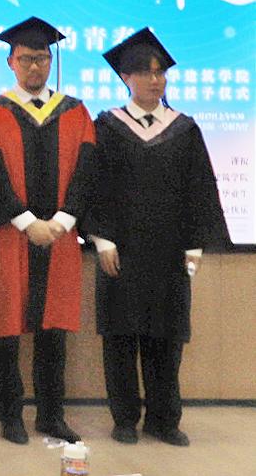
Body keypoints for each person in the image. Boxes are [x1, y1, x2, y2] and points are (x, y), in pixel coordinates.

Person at [88, 29, 226, 447]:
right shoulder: (107, 126)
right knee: (121, 336)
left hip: (169, 251)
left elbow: (200, 188)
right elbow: (93, 186)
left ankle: (164, 419)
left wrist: (195, 244)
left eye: (161, 72)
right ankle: (124, 418)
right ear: (126, 77)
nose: (155, 80)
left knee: (166, 337)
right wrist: (102, 239)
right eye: (146, 73)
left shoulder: (184, 129)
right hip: (122, 249)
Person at [0, 17, 96, 445]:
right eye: (25, 59)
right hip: (11, 236)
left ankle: (51, 415)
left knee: (53, 330)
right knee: (7, 329)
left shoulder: (76, 112)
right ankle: (9, 414)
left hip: (60, 237)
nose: (34, 67)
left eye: (41, 58)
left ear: (51, 60)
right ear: (10, 62)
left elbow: (85, 171)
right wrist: (26, 221)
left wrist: (63, 220)